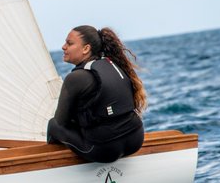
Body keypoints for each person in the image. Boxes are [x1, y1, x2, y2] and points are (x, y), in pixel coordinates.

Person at [47, 25, 146, 162]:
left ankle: (52, 164)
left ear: (86, 49)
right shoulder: (114, 64)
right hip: (136, 139)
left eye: (69, 43)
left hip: (104, 150)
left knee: (53, 125)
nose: (63, 47)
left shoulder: (76, 78)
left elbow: (61, 121)